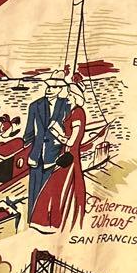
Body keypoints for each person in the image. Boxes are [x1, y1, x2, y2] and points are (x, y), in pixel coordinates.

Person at [29, 75, 88, 233]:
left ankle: (52, 223)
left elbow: (72, 141)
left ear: (75, 97)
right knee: (60, 188)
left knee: (58, 188)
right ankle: (51, 222)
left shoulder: (77, 113)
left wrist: (57, 134)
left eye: (70, 94)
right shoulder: (73, 112)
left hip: (69, 156)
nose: (67, 97)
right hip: (66, 154)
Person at [23, 70, 72, 219]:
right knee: (34, 191)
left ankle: (49, 220)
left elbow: (69, 130)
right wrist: (29, 151)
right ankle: (32, 219)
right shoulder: (35, 105)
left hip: (56, 154)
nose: (49, 89)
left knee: (53, 191)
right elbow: (28, 133)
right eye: (48, 86)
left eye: (54, 87)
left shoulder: (66, 105)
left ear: (60, 89)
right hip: (36, 154)